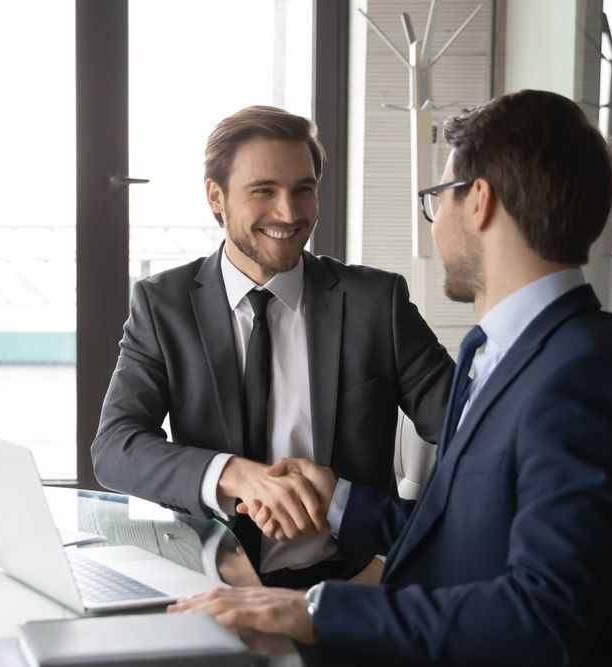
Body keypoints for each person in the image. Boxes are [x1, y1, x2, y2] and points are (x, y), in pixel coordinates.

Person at [168, 90, 612, 666]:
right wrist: (338, 503)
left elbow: (546, 617)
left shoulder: (585, 379)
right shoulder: (510, 356)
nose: (435, 226)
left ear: (478, 202)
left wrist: (314, 612)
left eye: (439, 198)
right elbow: (460, 537)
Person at [92, 106, 455, 589]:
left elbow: (474, 430)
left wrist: (395, 555)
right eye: (264, 191)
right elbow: (115, 447)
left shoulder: (376, 303)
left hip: (350, 582)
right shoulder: (164, 305)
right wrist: (234, 475)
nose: (288, 213)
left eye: (303, 190)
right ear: (215, 197)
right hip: (217, 579)